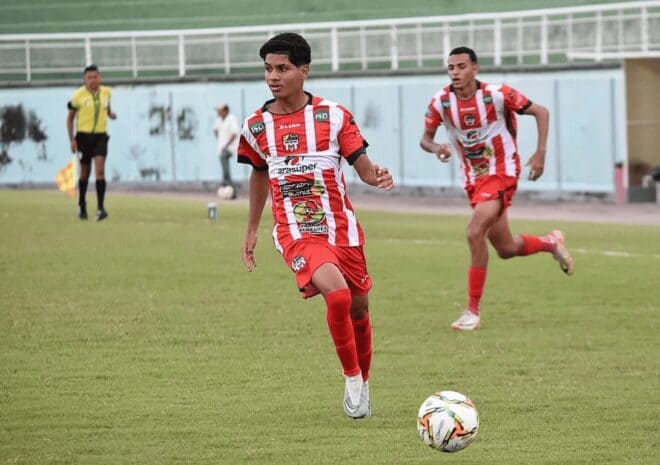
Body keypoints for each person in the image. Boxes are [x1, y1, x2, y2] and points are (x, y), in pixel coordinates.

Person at [238, 32, 393, 419]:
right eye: (268, 69)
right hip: (295, 231)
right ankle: (351, 378)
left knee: (359, 309)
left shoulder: (333, 115)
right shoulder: (255, 126)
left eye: (282, 69)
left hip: (342, 230)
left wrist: (377, 177)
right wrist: (252, 228)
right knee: (337, 295)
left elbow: (363, 168)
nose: (273, 77)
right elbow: (259, 173)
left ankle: (364, 382)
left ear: (304, 71)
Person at [419, 46, 574, 331]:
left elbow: (541, 112)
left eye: (462, 66)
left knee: (474, 231)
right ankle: (551, 242)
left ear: (475, 69)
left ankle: (472, 311)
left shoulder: (497, 95)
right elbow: (425, 139)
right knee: (506, 248)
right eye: (451, 67)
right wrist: (436, 147)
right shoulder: (441, 102)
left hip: (502, 172)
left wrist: (540, 153)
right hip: (474, 180)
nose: (455, 72)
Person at [66, 64, 116, 221]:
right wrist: (72, 140)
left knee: (100, 171)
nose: (92, 80)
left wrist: (110, 114)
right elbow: (70, 118)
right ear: (84, 79)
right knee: (85, 173)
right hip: (84, 137)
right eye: (89, 78)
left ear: (99, 77)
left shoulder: (106, 92)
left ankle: (101, 208)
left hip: (100, 136)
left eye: (95, 77)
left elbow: (107, 107)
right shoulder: (78, 96)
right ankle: (81, 203)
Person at [213, 103, 239, 199]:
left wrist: (226, 145)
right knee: (224, 165)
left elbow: (234, 134)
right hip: (222, 147)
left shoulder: (231, 118)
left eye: (220, 110)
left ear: (225, 111)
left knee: (223, 158)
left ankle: (225, 182)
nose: (218, 112)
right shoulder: (219, 120)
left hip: (230, 147)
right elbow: (215, 130)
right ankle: (230, 189)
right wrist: (218, 137)